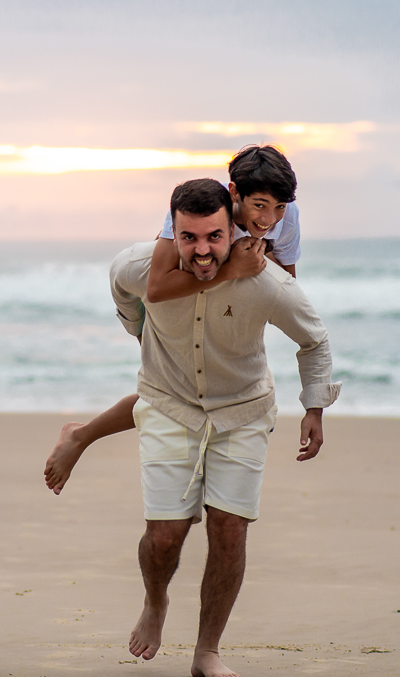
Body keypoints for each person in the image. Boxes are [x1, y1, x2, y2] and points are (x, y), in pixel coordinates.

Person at [93, 178, 339, 677]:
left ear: (232, 229)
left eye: (214, 237)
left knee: (230, 529)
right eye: (189, 238)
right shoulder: (141, 267)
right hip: (170, 405)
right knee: (165, 535)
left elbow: (314, 340)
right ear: (173, 233)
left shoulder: (267, 282)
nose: (202, 250)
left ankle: (207, 650)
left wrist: (314, 407)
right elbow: (120, 284)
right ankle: (155, 601)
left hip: (242, 412)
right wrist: (137, 326)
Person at [45, 145, 300, 495]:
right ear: (234, 194)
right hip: (151, 299)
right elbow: (157, 286)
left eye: (279, 207)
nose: (269, 219)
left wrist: (257, 262)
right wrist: (233, 268)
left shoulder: (286, 214)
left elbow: (285, 286)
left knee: (186, 389)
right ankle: (80, 436)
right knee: (169, 391)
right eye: (259, 206)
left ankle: (81, 434)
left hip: (204, 295)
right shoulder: (198, 208)